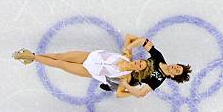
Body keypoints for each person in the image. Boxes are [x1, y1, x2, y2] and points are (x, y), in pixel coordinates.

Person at [11, 48, 153, 98]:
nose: (138, 63)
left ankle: (31, 57)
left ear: (138, 70)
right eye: (140, 61)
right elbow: (129, 38)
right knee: (60, 56)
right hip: (89, 56)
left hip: (89, 70)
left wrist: (126, 86)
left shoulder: (125, 76)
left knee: (60, 64)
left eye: (140, 66)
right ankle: (34, 55)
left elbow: (130, 94)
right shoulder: (127, 55)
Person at [112, 34, 192, 98]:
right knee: (129, 37)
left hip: (129, 77)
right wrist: (128, 47)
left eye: (177, 71)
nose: (175, 67)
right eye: (177, 66)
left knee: (119, 93)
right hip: (133, 64)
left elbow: (141, 94)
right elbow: (143, 41)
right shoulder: (159, 58)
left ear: (173, 75)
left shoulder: (158, 80)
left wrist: (125, 84)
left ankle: (113, 80)